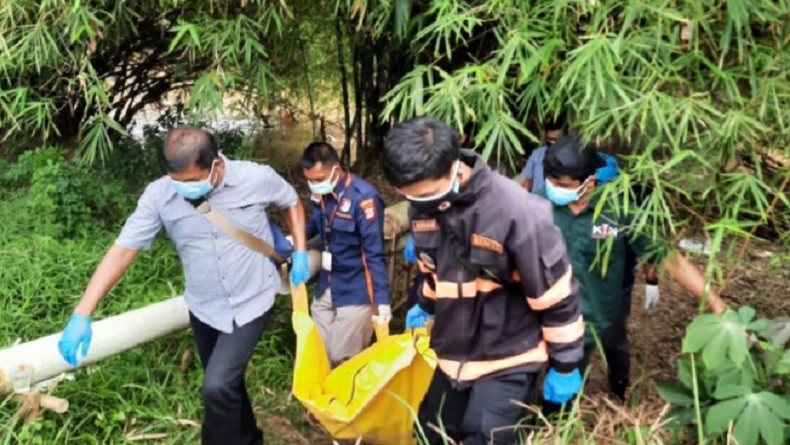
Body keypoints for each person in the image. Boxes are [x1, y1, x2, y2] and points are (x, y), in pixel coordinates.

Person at [57, 127, 311, 445]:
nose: (184, 190)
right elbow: (122, 251)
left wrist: (300, 251)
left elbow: (291, 201)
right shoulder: (160, 195)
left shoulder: (254, 178)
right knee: (225, 384)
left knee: (217, 386)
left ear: (216, 165)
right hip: (204, 307)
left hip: (252, 300)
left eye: (192, 182)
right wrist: (82, 312)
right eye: (177, 182)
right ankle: (250, 439)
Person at [383, 117, 585, 445]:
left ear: (453, 167)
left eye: (428, 195)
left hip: (508, 354)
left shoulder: (517, 213)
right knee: (427, 434)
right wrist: (425, 303)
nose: (423, 205)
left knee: (486, 437)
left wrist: (566, 363)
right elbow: (433, 269)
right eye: (412, 198)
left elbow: (556, 296)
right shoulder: (422, 207)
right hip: (453, 354)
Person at [541, 135, 727, 402]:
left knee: (615, 346)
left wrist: (714, 302)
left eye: (564, 185)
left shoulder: (619, 211)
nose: (554, 189)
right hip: (557, 316)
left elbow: (667, 257)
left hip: (606, 306)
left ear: (589, 181)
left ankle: (619, 389)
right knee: (561, 388)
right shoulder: (537, 206)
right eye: (551, 182)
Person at [301, 142, 391, 367]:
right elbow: (314, 223)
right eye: (310, 180)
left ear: (336, 169)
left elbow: (374, 254)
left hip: (356, 286)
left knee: (342, 358)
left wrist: (381, 300)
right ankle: (324, 398)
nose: (314, 185)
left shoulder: (364, 199)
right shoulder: (320, 194)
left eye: (319, 179)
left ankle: (345, 399)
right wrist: (293, 240)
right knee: (321, 350)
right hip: (328, 282)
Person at [521, 116, 566, 193]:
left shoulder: (569, 157)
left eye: (556, 140)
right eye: (550, 139)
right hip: (536, 199)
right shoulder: (537, 154)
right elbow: (528, 181)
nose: (553, 143)